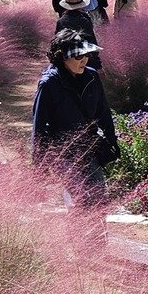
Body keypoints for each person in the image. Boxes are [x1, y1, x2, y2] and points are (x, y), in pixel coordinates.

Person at [31, 29, 118, 208]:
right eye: (78, 56)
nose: (84, 60)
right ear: (61, 57)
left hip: (89, 149)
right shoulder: (49, 84)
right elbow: (39, 128)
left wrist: (112, 139)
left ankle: (99, 237)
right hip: (63, 154)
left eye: (86, 55)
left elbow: (103, 111)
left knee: (99, 199)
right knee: (80, 202)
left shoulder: (92, 76)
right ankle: (77, 236)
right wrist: (39, 166)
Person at [55, 0, 101, 71]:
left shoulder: (61, 21)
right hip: (84, 58)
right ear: (81, 5)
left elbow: (57, 40)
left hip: (67, 58)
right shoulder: (84, 20)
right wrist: (96, 60)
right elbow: (91, 40)